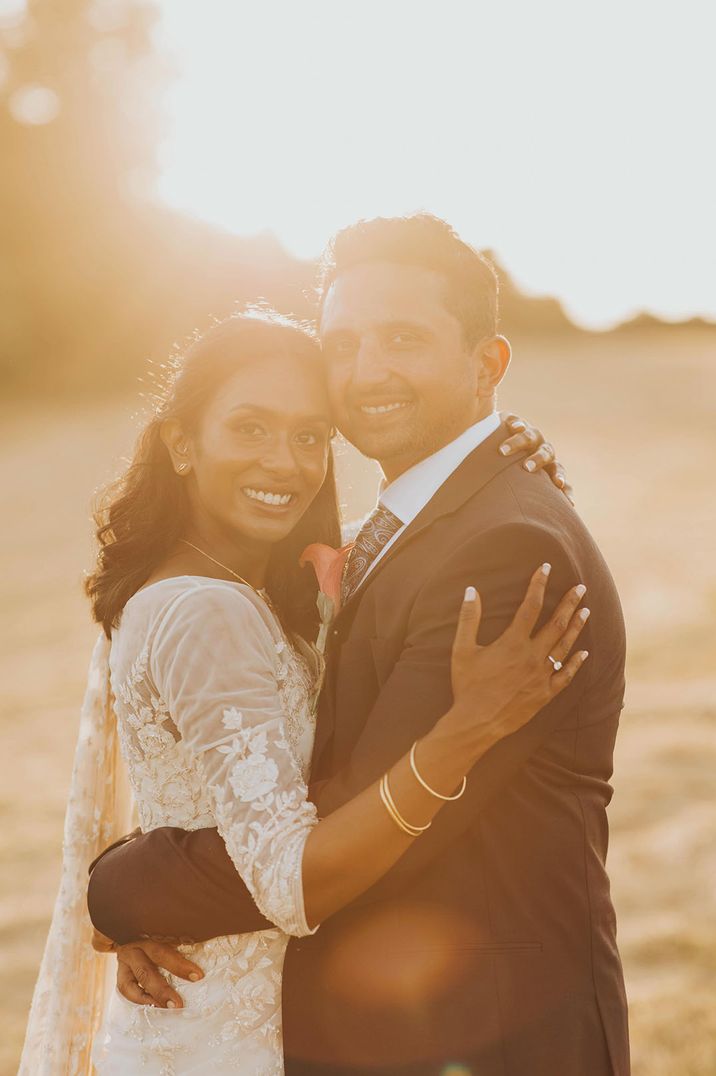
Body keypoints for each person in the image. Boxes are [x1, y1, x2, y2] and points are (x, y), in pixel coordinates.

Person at [86, 216, 630, 1076]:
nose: (366, 371)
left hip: (492, 1035)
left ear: (486, 365)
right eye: (343, 344)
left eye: (403, 339)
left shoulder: (501, 547)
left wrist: (124, 888)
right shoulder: (407, 527)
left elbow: (338, 826)